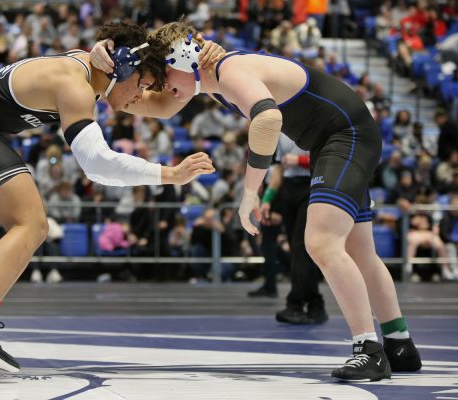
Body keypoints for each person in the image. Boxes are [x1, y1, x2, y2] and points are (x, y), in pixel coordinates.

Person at [0, 22, 218, 373]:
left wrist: (202, 75)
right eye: (141, 85)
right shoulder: (75, 85)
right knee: (31, 224)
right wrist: (169, 173)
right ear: (123, 67)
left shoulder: (87, 71)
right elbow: (97, 165)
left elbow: (161, 107)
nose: (141, 95)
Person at [91, 21, 422, 381]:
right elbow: (163, 108)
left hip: (344, 137)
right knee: (360, 252)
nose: (163, 88)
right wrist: (103, 78)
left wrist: (251, 193)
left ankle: (368, 350)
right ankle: (400, 345)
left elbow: (267, 118)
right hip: (342, 137)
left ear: (186, 60)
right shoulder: (209, 77)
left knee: (322, 243)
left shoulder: (229, 70)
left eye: (164, 77)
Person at [258, 134, 328, 324]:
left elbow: (326, 160)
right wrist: (267, 200)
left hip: (311, 186)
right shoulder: (280, 132)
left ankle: (296, 303)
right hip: (289, 189)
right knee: (297, 249)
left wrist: (299, 160)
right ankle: (315, 304)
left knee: (299, 246)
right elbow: (280, 169)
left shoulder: (313, 125)